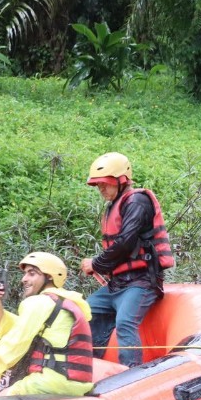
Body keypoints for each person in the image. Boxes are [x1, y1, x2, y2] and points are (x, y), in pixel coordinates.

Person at [78, 152, 174, 366]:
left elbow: (125, 242)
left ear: (121, 181)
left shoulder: (137, 202)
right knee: (86, 311)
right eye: (98, 185)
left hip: (141, 282)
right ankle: (88, 366)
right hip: (117, 284)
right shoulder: (115, 205)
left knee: (125, 322)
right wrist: (100, 266)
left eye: (105, 184)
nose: (101, 189)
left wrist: (95, 264)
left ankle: (130, 374)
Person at [0, 253, 94, 397]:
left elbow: (17, 340)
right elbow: (12, 327)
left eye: (32, 274)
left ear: (49, 276)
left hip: (50, 381)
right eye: (25, 274)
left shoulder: (39, 302)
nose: (24, 279)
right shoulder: (63, 301)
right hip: (74, 384)